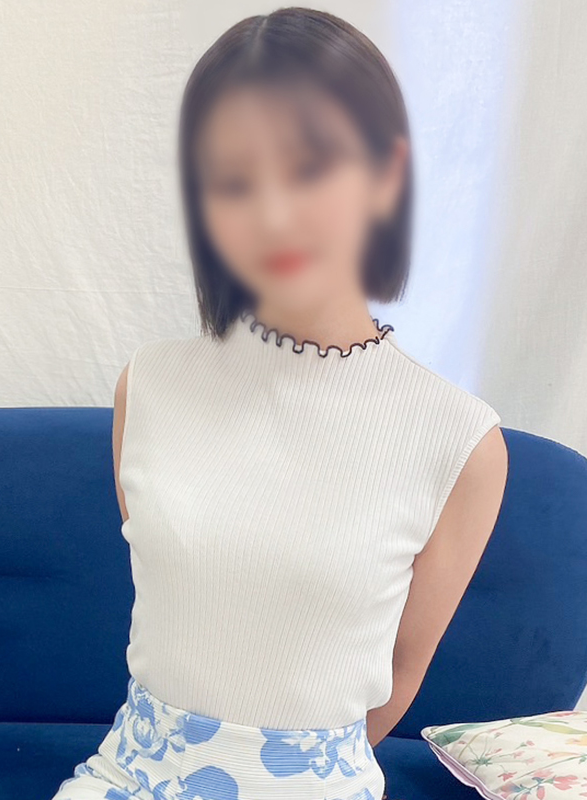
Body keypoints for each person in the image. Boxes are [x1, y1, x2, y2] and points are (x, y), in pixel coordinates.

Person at [51, 7, 508, 800]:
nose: (272, 215)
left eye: (309, 169)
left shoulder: (459, 441)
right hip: (130, 776)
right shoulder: (148, 385)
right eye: (233, 182)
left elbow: (398, 676)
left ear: (387, 174)